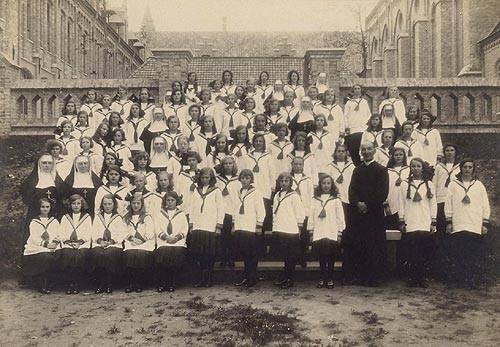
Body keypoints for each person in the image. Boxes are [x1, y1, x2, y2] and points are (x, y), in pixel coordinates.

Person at [345, 142, 389, 286]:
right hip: (359, 215)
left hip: (374, 214)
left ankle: (374, 277)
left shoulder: (382, 170)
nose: (366, 151)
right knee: (360, 245)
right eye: (363, 149)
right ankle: (360, 276)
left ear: (374, 151)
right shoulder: (357, 170)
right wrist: (358, 203)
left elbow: (382, 193)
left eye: (369, 149)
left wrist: (367, 204)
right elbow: (352, 190)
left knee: (374, 246)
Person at [445, 159, 490, 289]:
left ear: (473, 169)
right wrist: (449, 221)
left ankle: (470, 280)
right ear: (461, 169)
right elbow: (448, 204)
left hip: (474, 224)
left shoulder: (479, 185)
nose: (467, 169)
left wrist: (484, 223)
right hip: (459, 223)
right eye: (465, 167)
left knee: (472, 254)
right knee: (459, 253)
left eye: (470, 167)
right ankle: (460, 280)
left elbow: (485, 205)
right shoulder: (453, 184)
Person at [399, 158, 437, 288]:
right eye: (413, 166)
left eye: (418, 166)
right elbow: (401, 204)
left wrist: (433, 221)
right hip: (411, 221)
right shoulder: (404, 184)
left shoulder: (429, 184)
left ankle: (422, 277)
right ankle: (412, 277)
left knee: (423, 251)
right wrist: (402, 220)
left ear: (422, 168)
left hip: (424, 221)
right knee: (412, 252)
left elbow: (433, 204)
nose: (415, 168)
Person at [188, 168, 225, 288]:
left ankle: (209, 278)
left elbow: (221, 209)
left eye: (207, 177)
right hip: (199, 226)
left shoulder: (216, 191)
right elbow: (192, 208)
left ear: (211, 178)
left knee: (209, 254)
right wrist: (192, 224)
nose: (205, 180)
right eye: (203, 177)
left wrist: (219, 226)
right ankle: (200, 279)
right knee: (199, 254)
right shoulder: (196, 191)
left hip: (210, 227)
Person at [309, 174, 345, 289]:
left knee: (330, 256)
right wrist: (311, 231)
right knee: (321, 256)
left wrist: (340, 232)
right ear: (320, 185)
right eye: (324, 183)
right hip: (319, 230)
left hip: (331, 230)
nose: (326, 185)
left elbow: (340, 217)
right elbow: (312, 215)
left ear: (332, 185)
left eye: (328, 183)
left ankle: (330, 278)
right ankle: (322, 277)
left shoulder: (336, 200)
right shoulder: (315, 199)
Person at [272, 172, 306, 289]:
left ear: (290, 182)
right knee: (285, 255)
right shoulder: (277, 195)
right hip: (280, 228)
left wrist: (299, 226)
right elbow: (274, 213)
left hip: (291, 229)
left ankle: (290, 279)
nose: (284, 183)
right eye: (282, 181)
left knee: (291, 256)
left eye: (286, 181)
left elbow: (300, 212)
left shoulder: (294, 195)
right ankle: (285, 276)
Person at [233, 169, 265, 288]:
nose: (245, 180)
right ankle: (246, 276)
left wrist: (259, 225)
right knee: (245, 254)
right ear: (240, 179)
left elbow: (261, 210)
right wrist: (234, 224)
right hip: (241, 226)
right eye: (243, 178)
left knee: (252, 254)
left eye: (247, 178)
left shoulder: (256, 192)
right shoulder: (239, 191)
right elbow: (235, 209)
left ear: (251, 179)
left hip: (251, 227)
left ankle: (252, 277)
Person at [22, 198, 61, 294]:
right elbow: (35, 238)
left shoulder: (54, 221)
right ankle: (42, 284)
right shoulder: (34, 222)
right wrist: (47, 244)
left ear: (50, 208)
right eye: (42, 207)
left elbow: (58, 234)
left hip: (52, 245)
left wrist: (55, 243)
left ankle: (53, 282)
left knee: (60, 254)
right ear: (39, 208)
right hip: (38, 247)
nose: (45, 209)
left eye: (47, 207)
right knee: (45, 257)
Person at [91, 194, 125, 294]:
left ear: (114, 205)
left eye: (110, 204)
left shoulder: (118, 217)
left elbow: (121, 234)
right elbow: (94, 232)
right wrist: (100, 241)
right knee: (98, 254)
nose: (107, 206)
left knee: (109, 254)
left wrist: (111, 241)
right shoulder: (98, 217)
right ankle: (101, 284)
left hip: (113, 244)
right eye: (105, 204)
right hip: (100, 243)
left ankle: (109, 283)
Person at [155, 191, 188, 292]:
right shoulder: (160, 213)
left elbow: (184, 229)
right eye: (168, 200)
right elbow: (157, 228)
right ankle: (162, 283)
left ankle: (171, 283)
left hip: (177, 241)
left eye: (172, 200)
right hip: (164, 241)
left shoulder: (181, 214)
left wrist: (176, 238)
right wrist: (166, 237)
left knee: (175, 253)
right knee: (163, 253)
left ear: (176, 201)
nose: (170, 202)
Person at [59, 194, 92, 295]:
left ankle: (77, 283)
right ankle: (69, 284)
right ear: (70, 205)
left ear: (82, 204)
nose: (76, 206)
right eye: (73, 204)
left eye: (78, 203)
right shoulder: (65, 217)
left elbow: (89, 232)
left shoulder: (87, 217)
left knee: (78, 255)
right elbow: (61, 232)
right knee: (67, 254)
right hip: (68, 243)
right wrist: (68, 242)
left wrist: (80, 242)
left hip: (82, 243)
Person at [242, 134, 275, 232]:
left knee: (263, 215)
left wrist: (272, 189)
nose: (258, 143)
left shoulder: (268, 157)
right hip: (250, 190)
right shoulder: (247, 157)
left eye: (260, 141)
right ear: (253, 143)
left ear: (264, 143)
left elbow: (272, 174)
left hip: (264, 190)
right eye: (256, 141)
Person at [123, 193, 155, 293]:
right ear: (130, 204)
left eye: (138, 203)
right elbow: (123, 231)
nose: (136, 205)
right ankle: (131, 282)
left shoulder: (147, 217)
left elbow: (150, 232)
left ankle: (139, 283)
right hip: (131, 241)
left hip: (145, 242)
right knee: (130, 254)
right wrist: (131, 238)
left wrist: (141, 240)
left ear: (142, 204)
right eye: (133, 203)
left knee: (140, 254)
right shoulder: (126, 217)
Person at [19, 154, 65, 225]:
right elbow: (26, 196)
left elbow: (63, 196)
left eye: (50, 163)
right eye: (44, 163)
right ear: (39, 164)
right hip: (35, 213)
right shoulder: (32, 180)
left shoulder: (57, 179)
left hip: (55, 214)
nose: (47, 165)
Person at [215, 156, 240, 268]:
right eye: (225, 164)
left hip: (232, 210)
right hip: (221, 211)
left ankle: (231, 257)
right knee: (222, 237)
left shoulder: (237, 179)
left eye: (230, 163)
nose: (228, 166)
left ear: (233, 165)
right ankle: (223, 258)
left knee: (231, 236)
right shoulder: (217, 179)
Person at [433, 144, 460, 236]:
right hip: (441, 199)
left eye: (452, 150)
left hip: (455, 200)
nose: (450, 153)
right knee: (441, 225)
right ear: (444, 153)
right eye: (447, 150)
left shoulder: (459, 167)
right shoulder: (439, 167)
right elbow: (434, 184)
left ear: (455, 152)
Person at [343, 84, 371, 166]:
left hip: (363, 129)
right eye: (355, 89)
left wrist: (367, 125)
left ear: (361, 90)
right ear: (352, 91)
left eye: (358, 89)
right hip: (353, 129)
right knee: (354, 149)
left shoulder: (364, 102)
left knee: (362, 148)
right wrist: (347, 126)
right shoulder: (349, 102)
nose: (357, 90)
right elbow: (346, 115)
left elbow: (368, 114)